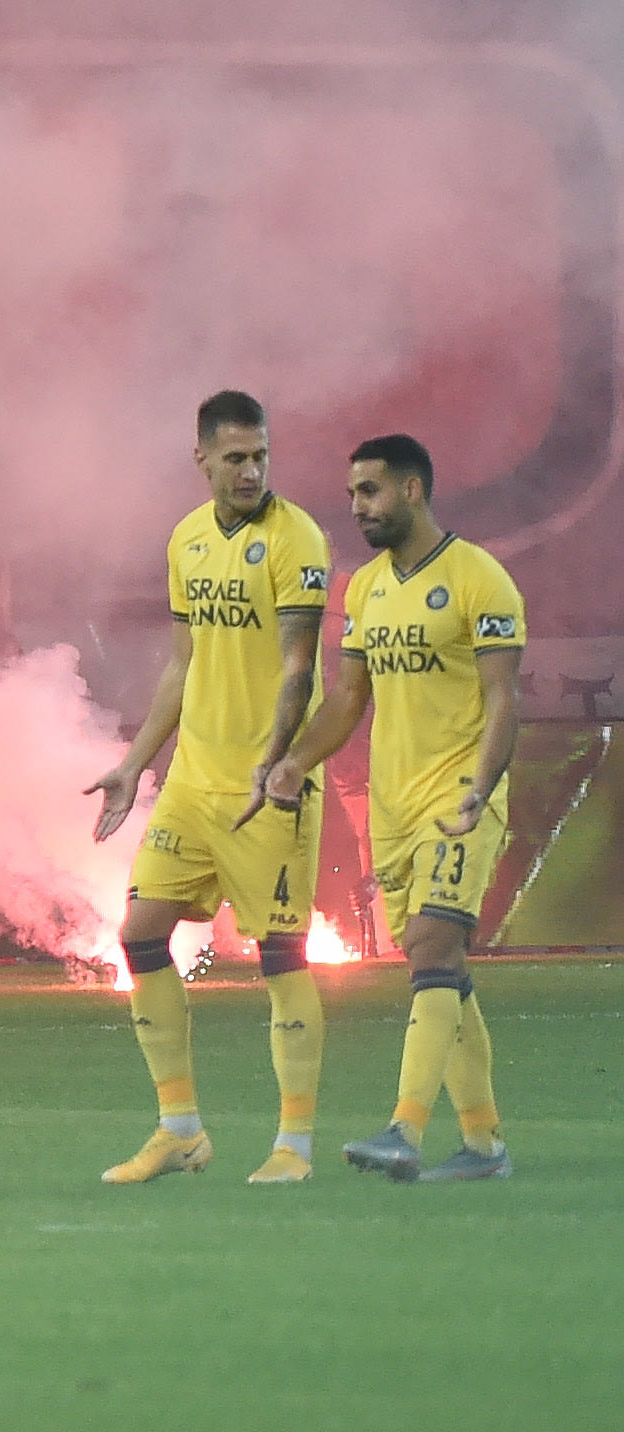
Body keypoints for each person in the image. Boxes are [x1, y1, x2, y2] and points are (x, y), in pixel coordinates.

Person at [246, 434, 526, 1181]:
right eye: (350, 496)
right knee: (443, 970)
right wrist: (293, 761)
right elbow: (345, 699)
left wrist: (479, 785)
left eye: (368, 492)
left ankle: (403, 1129)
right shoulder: (365, 587)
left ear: (410, 490)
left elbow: (503, 698)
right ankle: (484, 1146)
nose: (356, 508)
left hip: (459, 799)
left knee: (434, 945)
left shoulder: (479, 579)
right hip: (395, 811)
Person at [85, 391, 334, 1183]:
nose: (250, 471)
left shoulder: (296, 539)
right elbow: (182, 667)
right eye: (234, 458)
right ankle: (180, 1130)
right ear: (201, 459)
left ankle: (292, 1145)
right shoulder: (187, 540)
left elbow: (298, 667)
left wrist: (274, 762)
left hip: (269, 788)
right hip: (193, 784)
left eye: (259, 455)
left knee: (280, 959)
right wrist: (135, 763)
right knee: (138, 935)